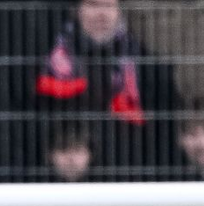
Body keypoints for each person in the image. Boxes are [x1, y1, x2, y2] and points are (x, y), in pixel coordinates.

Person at [34, 0, 180, 180]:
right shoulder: (49, 63)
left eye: (109, 6)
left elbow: (163, 129)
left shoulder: (146, 63)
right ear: (76, 10)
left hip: (129, 176)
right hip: (61, 178)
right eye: (93, 5)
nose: (101, 14)